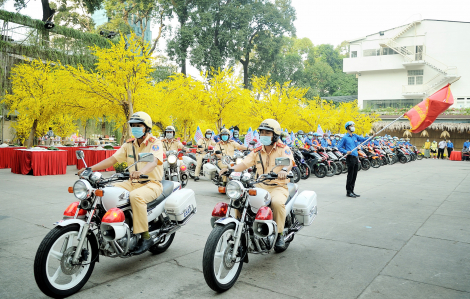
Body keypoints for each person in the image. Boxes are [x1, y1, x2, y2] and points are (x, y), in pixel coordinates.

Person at [78, 111, 163, 255]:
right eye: (133, 125)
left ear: (147, 127)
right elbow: (112, 160)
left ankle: (145, 236)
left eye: (139, 125)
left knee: (136, 197)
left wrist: (141, 172)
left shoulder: (155, 143)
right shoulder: (129, 144)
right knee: (106, 191)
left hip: (152, 183)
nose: (135, 128)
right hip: (131, 182)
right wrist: (89, 169)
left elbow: (154, 162)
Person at [219, 119, 294, 248]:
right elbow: (244, 164)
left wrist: (283, 171)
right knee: (240, 199)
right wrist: (230, 169)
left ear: (275, 135)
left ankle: (279, 235)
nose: (263, 135)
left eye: (267, 133)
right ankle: (238, 228)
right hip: (260, 185)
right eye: (262, 133)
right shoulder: (257, 151)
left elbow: (290, 162)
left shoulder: (283, 149)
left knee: (277, 203)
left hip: (278, 186)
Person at [337, 121, 373, 198]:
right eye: (352, 125)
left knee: (354, 175)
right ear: (348, 127)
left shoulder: (355, 136)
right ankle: (348, 192)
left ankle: (352, 191)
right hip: (350, 158)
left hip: (356, 158)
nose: (353, 126)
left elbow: (363, 139)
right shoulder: (345, 138)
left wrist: (371, 137)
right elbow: (339, 147)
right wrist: (346, 152)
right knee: (350, 175)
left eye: (353, 125)